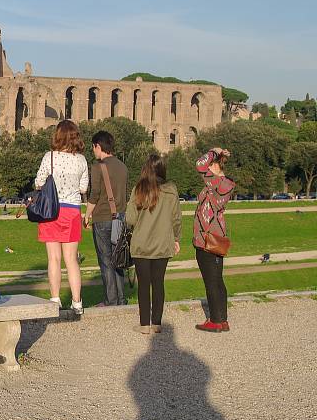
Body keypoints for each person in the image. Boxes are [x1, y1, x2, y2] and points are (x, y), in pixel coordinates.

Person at [34, 120, 89, 315]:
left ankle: (55, 298)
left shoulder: (49, 157)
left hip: (51, 211)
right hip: (72, 210)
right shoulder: (81, 160)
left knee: (54, 259)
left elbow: (39, 182)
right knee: (71, 260)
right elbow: (83, 188)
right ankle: (77, 302)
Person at [126, 155, 182, 334]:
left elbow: (130, 219)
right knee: (158, 283)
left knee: (143, 284)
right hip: (162, 242)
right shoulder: (171, 190)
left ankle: (144, 324)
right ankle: (156, 323)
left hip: (141, 243)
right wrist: (176, 238)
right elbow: (176, 218)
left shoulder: (139, 190)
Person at [84, 130, 129, 307]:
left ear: (98, 146)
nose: (93, 151)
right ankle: (121, 299)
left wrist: (87, 215)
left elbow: (94, 195)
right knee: (119, 259)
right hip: (121, 218)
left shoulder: (97, 167)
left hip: (102, 217)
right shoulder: (122, 166)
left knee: (106, 261)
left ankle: (110, 301)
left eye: (93, 147)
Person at [193, 148, 235, 333]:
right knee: (217, 280)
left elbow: (199, 165)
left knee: (211, 281)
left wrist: (213, 151)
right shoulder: (220, 184)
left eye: (211, 165)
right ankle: (222, 319)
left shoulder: (217, 183)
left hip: (207, 239)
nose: (207, 168)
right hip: (215, 236)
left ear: (216, 166)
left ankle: (216, 320)